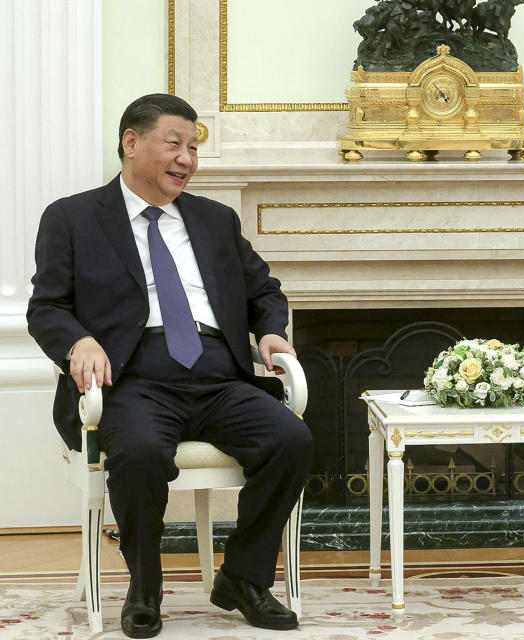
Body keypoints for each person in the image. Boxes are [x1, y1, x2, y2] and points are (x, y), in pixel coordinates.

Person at [27, 94, 313, 638]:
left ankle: (244, 579)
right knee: (137, 453)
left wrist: (272, 331)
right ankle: (145, 587)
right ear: (132, 143)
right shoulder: (72, 217)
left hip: (218, 375)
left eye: (194, 148)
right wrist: (78, 342)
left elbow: (263, 290)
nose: (187, 159)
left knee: (290, 440)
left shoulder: (215, 219)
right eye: (174, 144)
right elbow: (47, 306)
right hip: (131, 379)